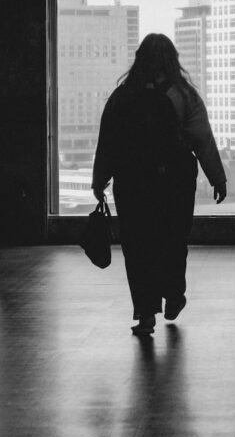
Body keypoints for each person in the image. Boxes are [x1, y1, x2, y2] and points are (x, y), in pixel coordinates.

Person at [92, 33, 227, 335]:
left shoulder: (122, 96)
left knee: (137, 247)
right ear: (172, 60)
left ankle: (145, 314)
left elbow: (108, 141)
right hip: (174, 182)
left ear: (139, 59)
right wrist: (217, 177)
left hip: (132, 183)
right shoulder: (184, 96)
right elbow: (202, 139)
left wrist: (99, 180)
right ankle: (174, 295)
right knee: (173, 241)